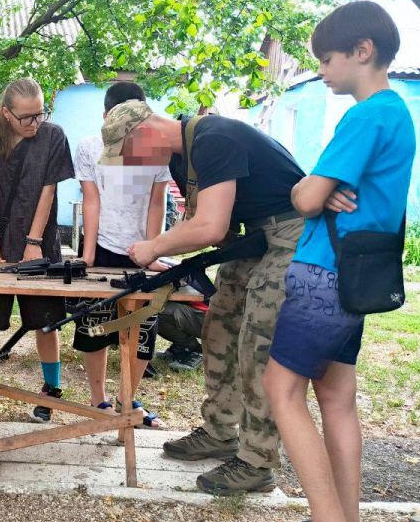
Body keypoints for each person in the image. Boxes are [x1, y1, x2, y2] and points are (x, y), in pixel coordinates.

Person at [260, 1, 414, 522]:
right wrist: (322, 192)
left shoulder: (366, 114)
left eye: (326, 59)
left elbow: (304, 197)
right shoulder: (399, 115)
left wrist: (314, 192)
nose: (321, 72)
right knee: (337, 395)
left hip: (322, 272)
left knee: (280, 388)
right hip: (357, 280)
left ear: (362, 51)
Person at [99, 97, 306, 494]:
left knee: (257, 345)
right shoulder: (182, 156)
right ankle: (219, 430)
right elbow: (207, 223)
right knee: (218, 329)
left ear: (143, 133)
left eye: (128, 155)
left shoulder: (213, 137)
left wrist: (155, 245)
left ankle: (257, 461)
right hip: (255, 239)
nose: (132, 166)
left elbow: (210, 227)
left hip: (291, 237)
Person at [0, 77, 74, 423]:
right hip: (0, 239)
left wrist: (34, 242)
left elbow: (48, 192)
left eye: (40, 114)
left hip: (40, 241)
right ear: (6, 113)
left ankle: (50, 389)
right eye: (27, 117)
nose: (35, 123)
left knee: (45, 322)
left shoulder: (53, 136)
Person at [74, 81, 170, 426]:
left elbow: (157, 201)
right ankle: (99, 400)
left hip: (143, 251)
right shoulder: (89, 147)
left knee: (143, 328)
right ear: (105, 117)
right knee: (94, 325)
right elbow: (92, 199)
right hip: (102, 247)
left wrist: (153, 249)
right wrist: (88, 255)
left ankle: (127, 399)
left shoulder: (158, 150)